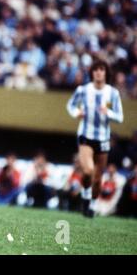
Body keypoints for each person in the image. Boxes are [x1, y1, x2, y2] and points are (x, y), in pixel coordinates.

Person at [66, 59, 124, 217]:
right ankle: (85, 198)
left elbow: (120, 117)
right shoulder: (83, 90)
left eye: (102, 69)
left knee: (98, 179)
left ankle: (90, 204)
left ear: (106, 73)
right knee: (88, 170)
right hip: (86, 134)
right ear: (92, 72)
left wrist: (109, 113)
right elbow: (71, 105)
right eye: (96, 69)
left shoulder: (112, 93)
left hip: (103, 138)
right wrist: (77, 113)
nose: (99, 72)